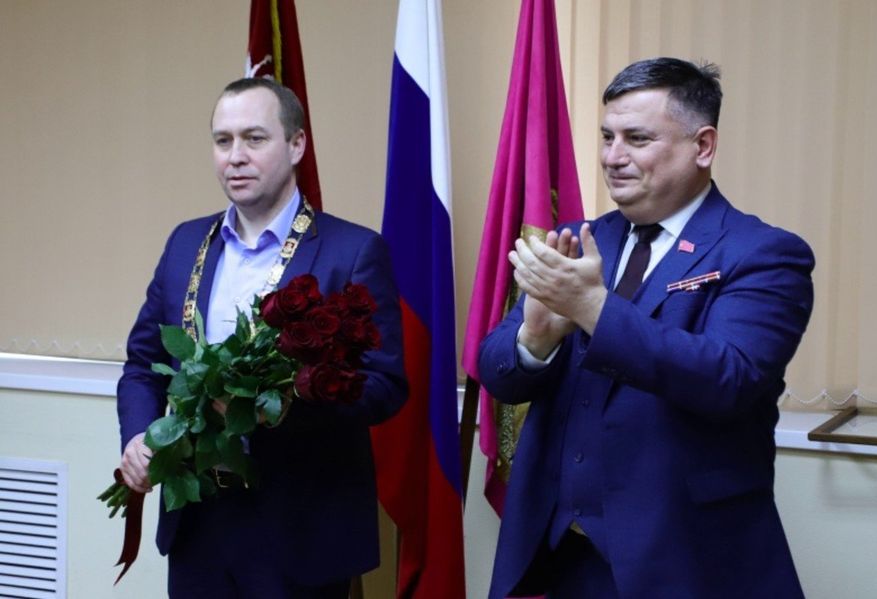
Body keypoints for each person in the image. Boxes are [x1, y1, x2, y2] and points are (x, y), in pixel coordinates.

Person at [480, 57, 813, 598]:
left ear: (702, 146)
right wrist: (534, 341)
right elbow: (498, 371)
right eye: (607, 137)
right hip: (566, 553)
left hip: (687, 557)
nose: (613, 157)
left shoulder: (762, 253)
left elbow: (729, 378)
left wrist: (593, 308)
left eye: (637, 139)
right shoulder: (578, 239)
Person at [116, 77, 407, 598]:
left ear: (296, 145)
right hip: (198, 520)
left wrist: (281, 408)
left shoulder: (353, 252)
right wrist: (139, 437)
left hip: (300, 530)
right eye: (223, 140)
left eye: (254, 138)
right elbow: (142, 363)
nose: (236, 156)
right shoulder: (185, 242)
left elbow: (384, 387)